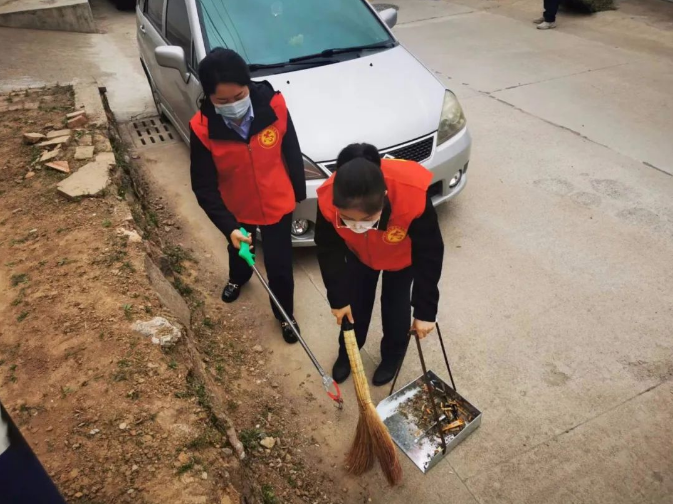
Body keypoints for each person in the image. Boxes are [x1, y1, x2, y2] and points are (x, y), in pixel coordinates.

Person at [190, 48, 306, 343]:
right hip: (237, 207)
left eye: (239, 96)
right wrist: (228, 226)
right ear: (209, 98)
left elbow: (291, 149)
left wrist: (298, 193)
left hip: (277, 202)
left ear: (248, 85)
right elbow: (203, 186)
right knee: (240, 249)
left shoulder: (274, 104)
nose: (233, 105)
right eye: (222, 101)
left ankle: (284, 315)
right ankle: (238, 278)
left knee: (280, 265)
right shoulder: (202, 128)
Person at [315, 144, 444, 386]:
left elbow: (430, 252)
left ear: (383, 198)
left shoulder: (411, 195)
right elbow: (327, 249)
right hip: (359, 256)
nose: (356, 225)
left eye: (366, 219)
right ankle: (348, 354)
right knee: (355, 308)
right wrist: (338, 298)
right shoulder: (328, 199)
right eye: (348, 219)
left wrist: (426, 311)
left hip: (400, 259)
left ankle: (392, 357)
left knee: (395, 310)